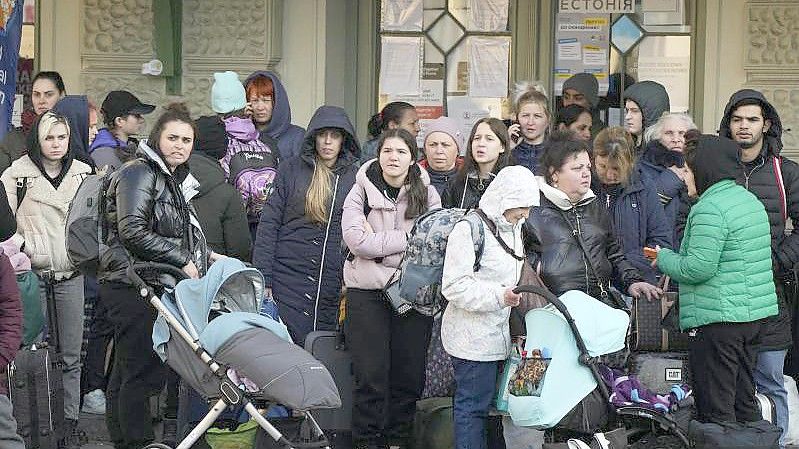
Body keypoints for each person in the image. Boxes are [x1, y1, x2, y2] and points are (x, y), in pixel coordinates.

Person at [99, 103, 215, 449]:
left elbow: (169, 231)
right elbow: (132, 230)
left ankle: (124, 440)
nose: (180, 145)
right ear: (157, 138)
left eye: (187, 140)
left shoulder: (169, 178)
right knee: (141, 371)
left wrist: (205, 255)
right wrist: (182, 260)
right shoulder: (141, 172)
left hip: (142, 280)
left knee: (126, 369)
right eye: (173, 138)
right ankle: (138, 442)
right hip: (132, 282)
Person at [654, 133, 778, 425]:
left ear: (705, 170)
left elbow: (697, 268)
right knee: (743, 402)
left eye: (687, 169)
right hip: (753, 319)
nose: (685, 177)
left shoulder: (710, 208)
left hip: (719, 321)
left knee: (716, 407)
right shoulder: (749, 201)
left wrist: (662, 258)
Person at [341, 128, 440, 449]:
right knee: (370, 377)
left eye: (400, 152)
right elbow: (357, 241)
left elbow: (433, 242)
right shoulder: (358, 190)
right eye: (387, 151)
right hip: (365, 294)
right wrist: (407, 239)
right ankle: (366, 443)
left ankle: (399, 441)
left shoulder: (429, 193)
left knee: (408, 377)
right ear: (378, 154)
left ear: (413, 159)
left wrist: (379, 246)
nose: (393, 157)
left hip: (411, 291)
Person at [1, 111, 93, 444]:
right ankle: (26, 422)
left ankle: (68, 423)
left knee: (71, 355)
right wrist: (26, 250)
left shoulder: (85, 175)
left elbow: (92, 223)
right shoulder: (17, 176)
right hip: (30, 275)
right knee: (26, 351)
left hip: (71, 272)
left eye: (62, 137)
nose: (55, 144)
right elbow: (5, 227)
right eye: (49, 137)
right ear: (37, 140)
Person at [718, 89, 799, 447]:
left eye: (752, 120)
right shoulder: (716, 168)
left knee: (771, 379)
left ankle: (780, 443)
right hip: (725, 295)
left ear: (766, 124)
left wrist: (779, 258)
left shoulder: (786, 172)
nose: (744, 127)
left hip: (771, 293)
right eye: (737, 120)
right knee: (730, 382)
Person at [441, 166, 539, 449]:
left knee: (495, 410)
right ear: (504, 199)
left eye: (529, 207)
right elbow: (454, 286)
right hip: (471, 340)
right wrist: (500, 297)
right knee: (472, 408)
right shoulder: (469, 229)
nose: (525, 214)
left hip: (500, 335)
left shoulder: (515, 228)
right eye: (521, 207)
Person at [253, 105, 359, 343]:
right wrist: (264, 278)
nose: (328, 142)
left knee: (322, 350)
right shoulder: (290, 169)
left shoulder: (355, 176)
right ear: (314, 137)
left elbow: (360, 233)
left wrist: (350, 277)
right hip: (286, 278)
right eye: (322, 135)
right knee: (285, 348)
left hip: (330, 282)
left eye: (335, 135)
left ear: (344, 140)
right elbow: (269, 225)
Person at [523, 130, 661, 302]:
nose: (586, 173)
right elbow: (517, 260)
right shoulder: (530, 209)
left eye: (588, 167)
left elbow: (613, 254)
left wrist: (632, 281)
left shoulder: (594, 205)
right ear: (554, 174)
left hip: (596, 306)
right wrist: (539, 267)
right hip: (551, 308)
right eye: (577, 168)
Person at [592, 127, 671, 285]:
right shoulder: (583, 186)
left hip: (636, 279)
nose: (609, 175)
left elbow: (660, 243)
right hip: (593, 280)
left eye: (616, 169)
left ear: (630, 163)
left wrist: (622, 263)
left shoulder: (644, 186)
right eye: (602, 166)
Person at [637, 113, 698, 245]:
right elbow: (639, 210)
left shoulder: (701, 167)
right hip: (655, 249)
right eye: (669, 133)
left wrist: (693, 194)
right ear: (658, 138)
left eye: (682, 133)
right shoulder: (642, 167)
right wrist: (670, 180)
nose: (676, 139)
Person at [189, 153, 252, 262]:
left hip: (168, 268)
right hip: (214, 271)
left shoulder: (161, 181)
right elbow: (239, 248)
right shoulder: (229, 194)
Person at [0, 71, 66, 174]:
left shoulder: (74, 132)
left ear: (62, 96)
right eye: (36, 95)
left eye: (48, 95)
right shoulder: (13, 138)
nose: (41, 101)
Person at [442, 118, 514, 209]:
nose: (481, 143)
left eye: (489, 139)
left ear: (502, 147)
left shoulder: (512, 184)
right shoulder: (455, 184)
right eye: (477, 138)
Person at [244, 71, 306, 160]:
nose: (260, 107)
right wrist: (242, 122)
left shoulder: (296, 137)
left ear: (277, 102)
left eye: (266, 100)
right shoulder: (241, 136)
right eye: (255, 100)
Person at [90, 90, 156, 172]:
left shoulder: (130, 146)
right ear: (119, 121)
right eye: (136, 115)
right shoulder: (103, 153)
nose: (142, 120)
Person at [508, 82, 550, 174]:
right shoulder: (509, 151)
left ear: (548, 119)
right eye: (525, 116)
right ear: (516, 118)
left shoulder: (556, 151)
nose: (530, 122)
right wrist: (507, 149)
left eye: (537, 116)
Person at [418, 116, 464, 195]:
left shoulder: (469, 178)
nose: (439, 151)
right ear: (425, 149)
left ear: (457, 150)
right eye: (433, 145)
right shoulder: (413, 177)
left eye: (445, 145)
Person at [623, 80, 670, 152]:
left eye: (634, 111)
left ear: (650, 113)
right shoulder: (626, 146)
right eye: (627, 110)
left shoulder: (662, 153)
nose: (627, 117)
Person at [561, 72, 605, 137]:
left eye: (578, 98)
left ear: (590, 103)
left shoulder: (600, 135)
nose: (570, 102)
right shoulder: (552, 126)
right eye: (566, 97)